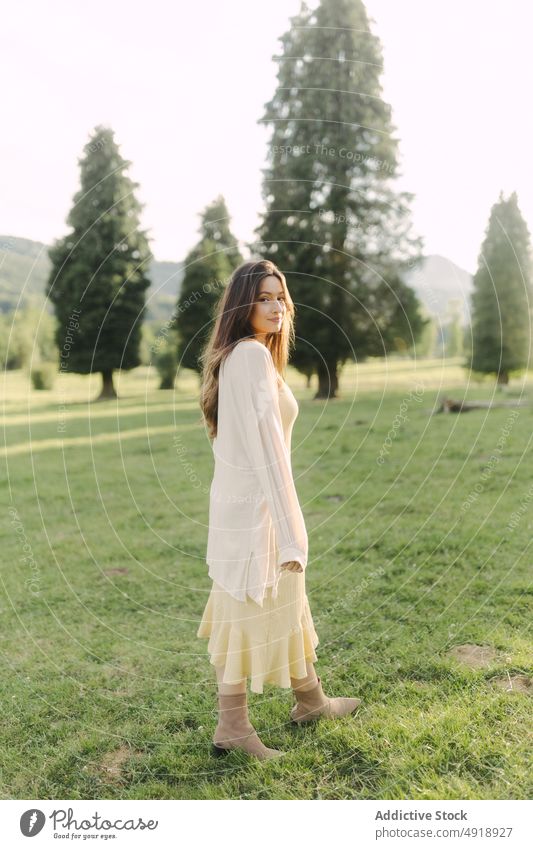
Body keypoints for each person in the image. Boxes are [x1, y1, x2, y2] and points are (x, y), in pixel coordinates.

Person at [197, 259, 361, 760]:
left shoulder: (247, 356)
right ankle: (233, 727)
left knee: (285, 601)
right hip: (256, 513)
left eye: (279, 297)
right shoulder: (248, 356)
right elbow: (266, 451)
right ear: (242, 305)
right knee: (245, 610)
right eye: (263, 298)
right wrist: (291, 531)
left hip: (249, 506)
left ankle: (310, 701)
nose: (275, 307)